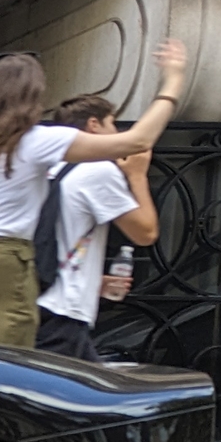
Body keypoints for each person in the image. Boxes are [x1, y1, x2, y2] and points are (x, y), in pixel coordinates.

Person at [0, 40, 189, 347]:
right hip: (1, 278)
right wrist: (173, 81)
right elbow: (138, 141)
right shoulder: (35, 141)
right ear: (32, 98)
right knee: (10, 384)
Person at [34, 94, 159, 362]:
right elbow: (145, 233)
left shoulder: (47, 168)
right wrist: (136, 175)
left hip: (35, 301)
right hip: (64, 312)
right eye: (112, 124)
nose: (116, 133)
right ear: (94, 125)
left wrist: (94, 282)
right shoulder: (97, 169)